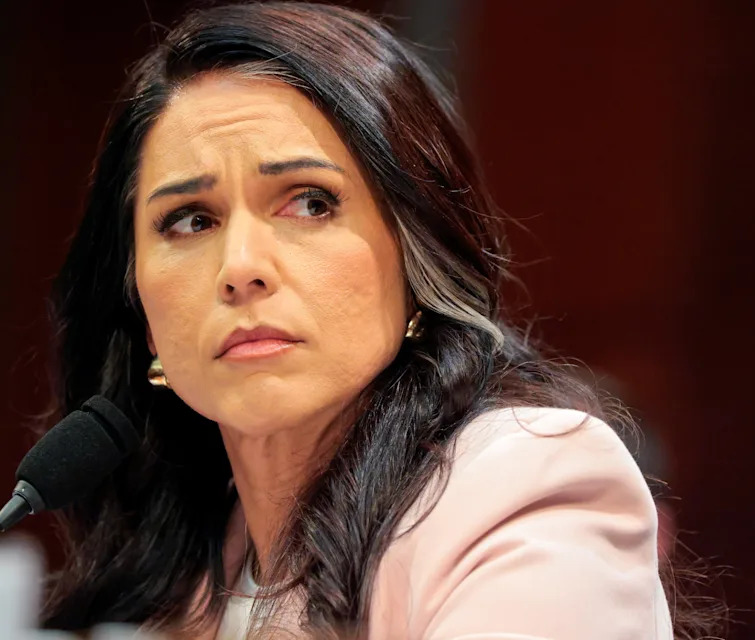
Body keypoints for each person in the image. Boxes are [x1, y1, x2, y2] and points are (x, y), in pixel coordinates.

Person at [39, 3, 673, 638]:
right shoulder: (191, 580)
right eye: (191, 220)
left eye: (310, 203)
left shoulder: (523, 491)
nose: (240, 268)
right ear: (143, 314)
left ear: (415, 252)